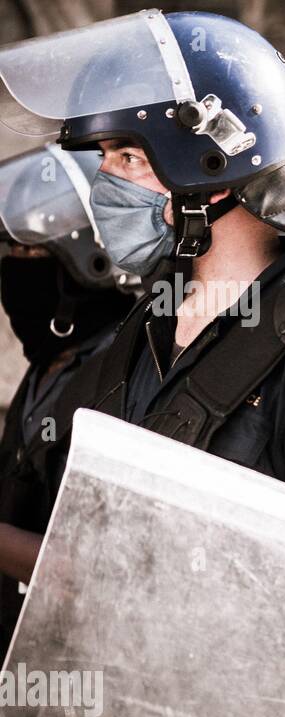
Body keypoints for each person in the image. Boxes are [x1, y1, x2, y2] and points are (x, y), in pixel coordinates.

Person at [0, 9, 285, 595]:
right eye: (105, 160)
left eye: (129, 159)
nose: (104, 184)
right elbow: (95, 569)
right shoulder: (141, 339)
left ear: (211, 176)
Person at [0, 145, 135, 654]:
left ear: (87, 264)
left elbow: (94, 572)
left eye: (33, 254)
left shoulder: (124, 374)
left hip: (87, 669)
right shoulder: (45, 370)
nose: (15, 268)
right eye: (11, 253)